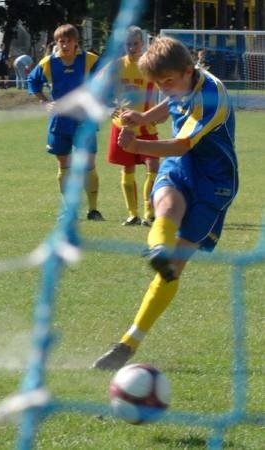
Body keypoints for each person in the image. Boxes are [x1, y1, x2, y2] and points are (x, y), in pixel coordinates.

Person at [92, 36, 238, 370]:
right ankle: (158, 249)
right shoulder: (176, 80)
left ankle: (130, 342)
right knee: (166, 208)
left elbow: (180, 145)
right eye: (159, 84)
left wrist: (137, 145)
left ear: (189, 70)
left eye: (168, 83)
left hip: (214, 182)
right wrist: (141, 120)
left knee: (175, 268)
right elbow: (169, 107)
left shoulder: (210, 95)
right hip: (182, 168)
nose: (164, 89)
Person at [27, 24, 104, 221]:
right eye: (61, 40)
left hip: (83, 120)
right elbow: (32, 81)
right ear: (57, 42)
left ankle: (93, 209)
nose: (65, 44)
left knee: (88, 164)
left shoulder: (90, 59)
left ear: (76, 42)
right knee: (64, 165)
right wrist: (44, 102)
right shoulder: (48, 63)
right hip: (60, 121)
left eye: (69, 40)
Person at [107, 26, 160, 227]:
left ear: (143, 44)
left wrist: (162, 113)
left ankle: (150, 213)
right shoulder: (116, 66)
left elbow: (166, 89)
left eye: (135, 43)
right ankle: (132, 214)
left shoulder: (152, 65)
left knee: (153, 167)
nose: (131, 47)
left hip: (147, 125)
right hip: (123, 126)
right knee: (127, 168)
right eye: (128, 44)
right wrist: (108, 107)